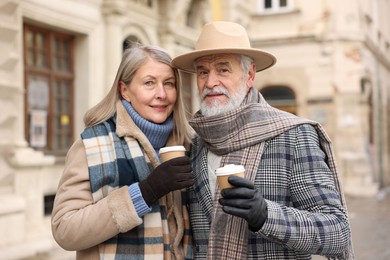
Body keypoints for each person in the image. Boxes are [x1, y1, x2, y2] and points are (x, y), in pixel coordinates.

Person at [172, 21, 354, 259]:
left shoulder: (294, 135)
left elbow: (337, 232)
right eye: (203, 71)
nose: (210, 82)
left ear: (249, 75)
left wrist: (266, 215)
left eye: (223, 70)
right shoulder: (196, 144)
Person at [51, 44, 194, 259]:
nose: (162, 94)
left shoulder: (189, 144)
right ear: (124, 90)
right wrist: (146, 192)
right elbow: (65, 230)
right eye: (149, 83)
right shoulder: (93, 143)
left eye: (169, 84)